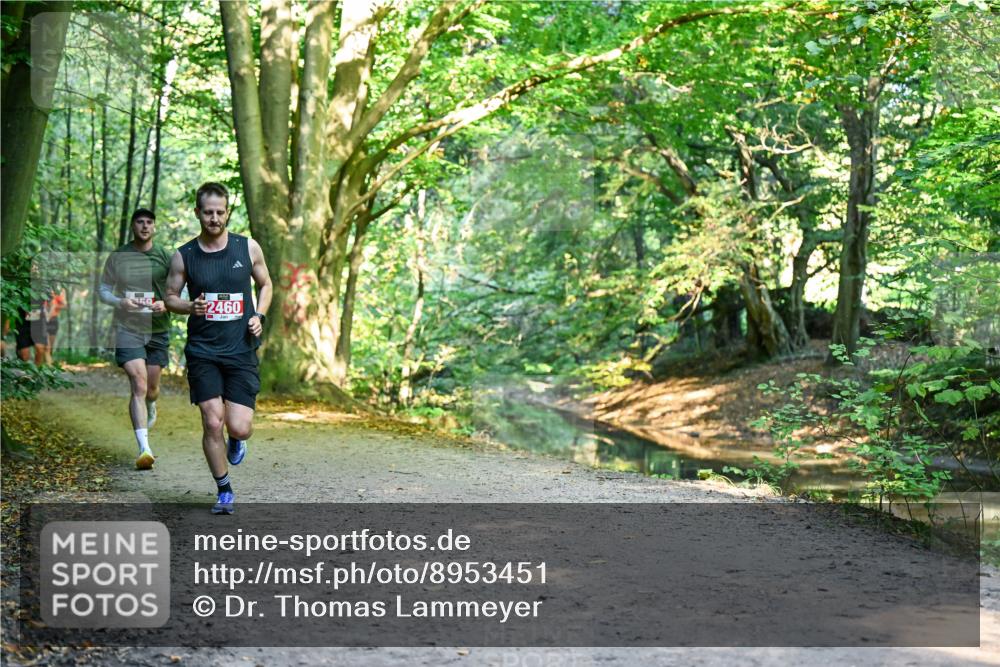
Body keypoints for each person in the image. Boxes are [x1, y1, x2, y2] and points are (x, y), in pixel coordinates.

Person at [165, 182, 272, 515]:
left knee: (239, 426)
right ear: (197, 213)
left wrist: (259, 315)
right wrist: (189, 307)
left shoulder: (247, 247)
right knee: (212, 422)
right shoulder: (185, 255)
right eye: (208, 212)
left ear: (227, 213)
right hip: (203, 351)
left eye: (220, 212)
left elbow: (266, 284)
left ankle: (236, 439)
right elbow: (169, 298)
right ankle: (224, 490)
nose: (214, 218)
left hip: (240, 350)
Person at [99, 208, 172, 470]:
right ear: (133, 226)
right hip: (127, 327)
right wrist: (120, 301)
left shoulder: (165, 255)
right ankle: (144, 449)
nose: (144, 226)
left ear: (154, 227)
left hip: (158, 329)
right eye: (140, 222)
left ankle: (152, 404)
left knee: (151, 389)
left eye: (149, 222)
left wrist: (167, 303)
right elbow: (103, 289)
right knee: (138, 385)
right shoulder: (118, 256)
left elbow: (180, 287)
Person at [15, 298, 49, 364]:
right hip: (23, 324)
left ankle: (37, 369)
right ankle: (21, 363)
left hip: (38, 323)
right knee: (25, 356)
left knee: (40, 349)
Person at [44, 289, 67, 364]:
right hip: (42, 320)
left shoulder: (57, 296)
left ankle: (49, 362)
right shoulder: (42, 294)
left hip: (53, 320)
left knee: (50, 345)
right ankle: (45, 363)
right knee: (45, 345)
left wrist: (56, 306)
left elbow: (65, 306)